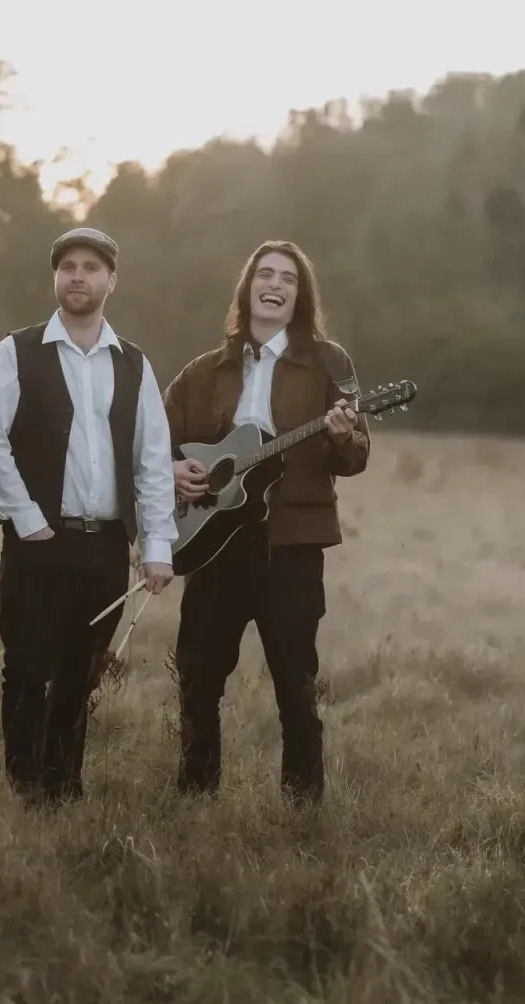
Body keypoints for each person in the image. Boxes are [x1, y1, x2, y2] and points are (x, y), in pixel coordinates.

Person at [162, 239, 370, 806]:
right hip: (212, 543)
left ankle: (302, 806)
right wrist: (172, 467)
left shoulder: (330, 363)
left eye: (288, 278)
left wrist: (342, 437)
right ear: (247, 287)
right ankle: (196, 795)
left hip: (292, 546)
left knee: (296, 685)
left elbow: (356, 457)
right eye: (265, 274)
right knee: (197, 678)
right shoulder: (205, 370)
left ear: (300, 296)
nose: (274, 285)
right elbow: (151, 435)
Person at [0, 227, 178, 803]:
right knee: (26, 668)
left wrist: (157, 546)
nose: (78, 276)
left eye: (91, 267)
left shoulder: (134, 364)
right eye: (68, 267)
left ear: (112, 280)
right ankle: (24, 790)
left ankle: (64, 789)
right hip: (37, 539)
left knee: (80, 673)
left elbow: (152, 459)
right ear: (55, 278)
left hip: (105, 545)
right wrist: (26, 518)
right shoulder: (16, 351)